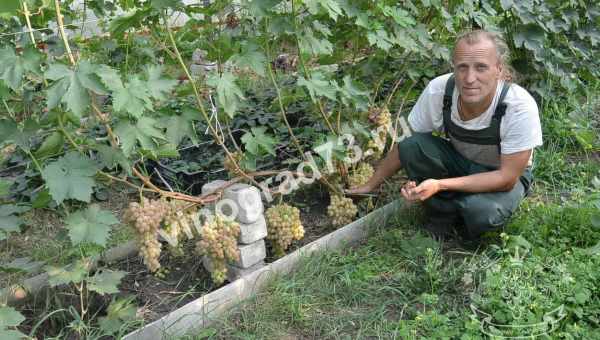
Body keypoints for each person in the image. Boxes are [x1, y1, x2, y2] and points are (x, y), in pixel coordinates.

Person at [348, 30, 543, 240]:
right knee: (413, 146)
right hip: (460, 162)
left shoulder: (518, 106)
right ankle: (443, 213)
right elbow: (405, 143)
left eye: (481, 67)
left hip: (502, 174)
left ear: (499, 69)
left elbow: (506, 178)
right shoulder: (440, 91)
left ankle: (466, 210)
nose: (469, 78)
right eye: (462, 67)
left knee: (481, 212)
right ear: (454, 67)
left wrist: (440, 184)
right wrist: (370, 185)